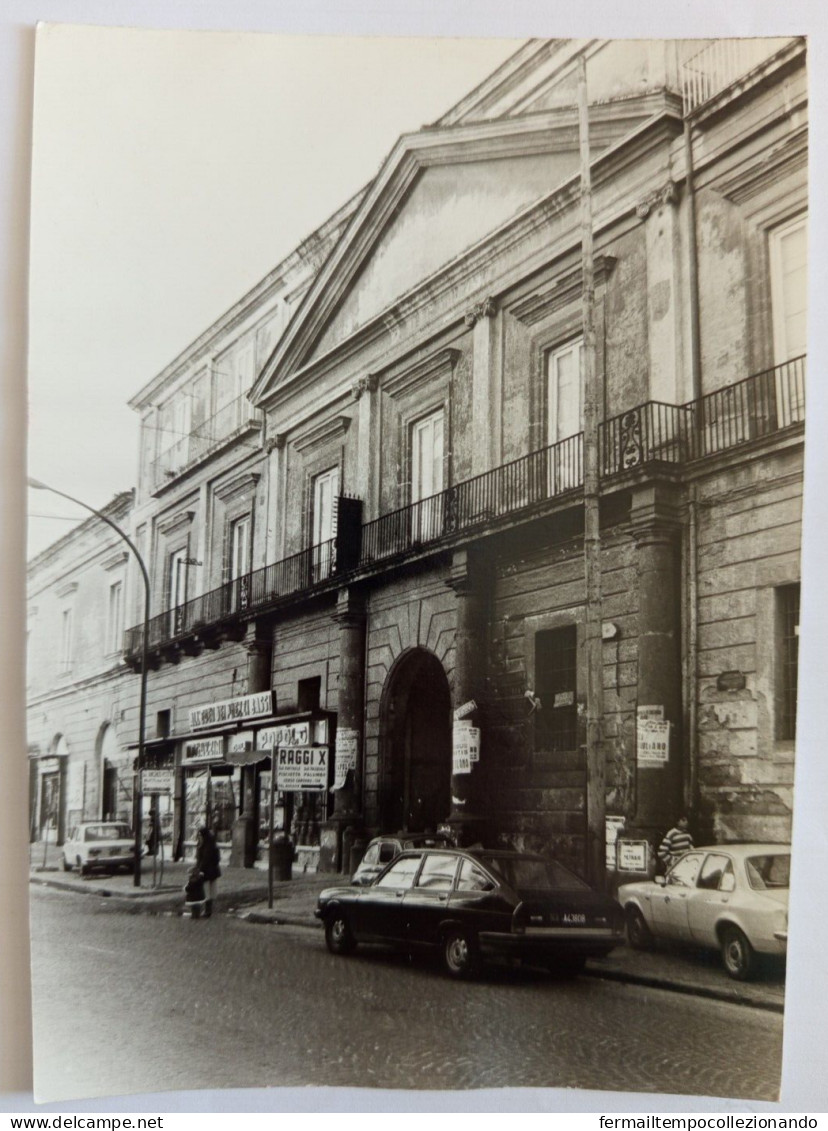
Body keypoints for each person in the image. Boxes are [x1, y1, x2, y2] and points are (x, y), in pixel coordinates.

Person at [195, 827, 221, 919]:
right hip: (213, 871)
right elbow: (217, 858)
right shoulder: (212, 844)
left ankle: (207, 910)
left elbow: (204, 859)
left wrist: (200, 870)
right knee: (210, 890)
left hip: (207, 871)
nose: (199, 837)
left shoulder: (206, 845)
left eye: (200, 835)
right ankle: (208, 909)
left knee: (206, 891)